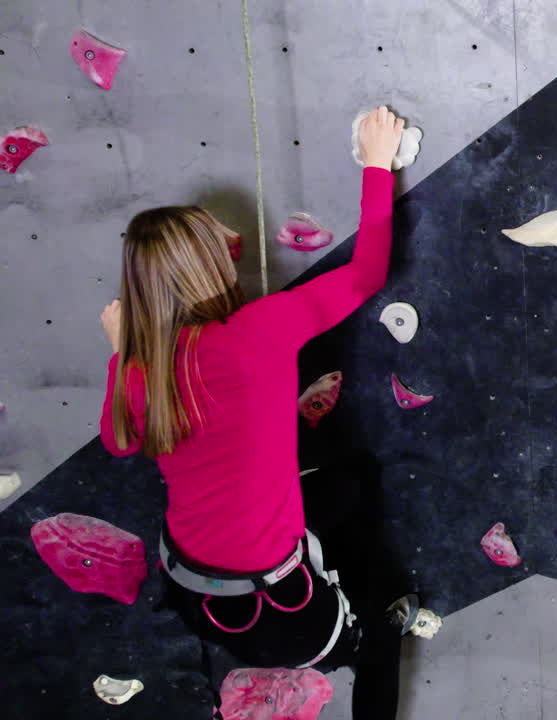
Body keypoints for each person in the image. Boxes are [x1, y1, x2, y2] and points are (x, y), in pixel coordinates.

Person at [98, 107, 412, 719]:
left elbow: (118, 443)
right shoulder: (260, 329)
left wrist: (123, 354)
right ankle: (373, 618)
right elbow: (368, 271)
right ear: (207, 266)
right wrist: (377, 162)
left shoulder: (139, 373)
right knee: (377, 633)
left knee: (344, 484)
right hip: (283, 608)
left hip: (193, 592)